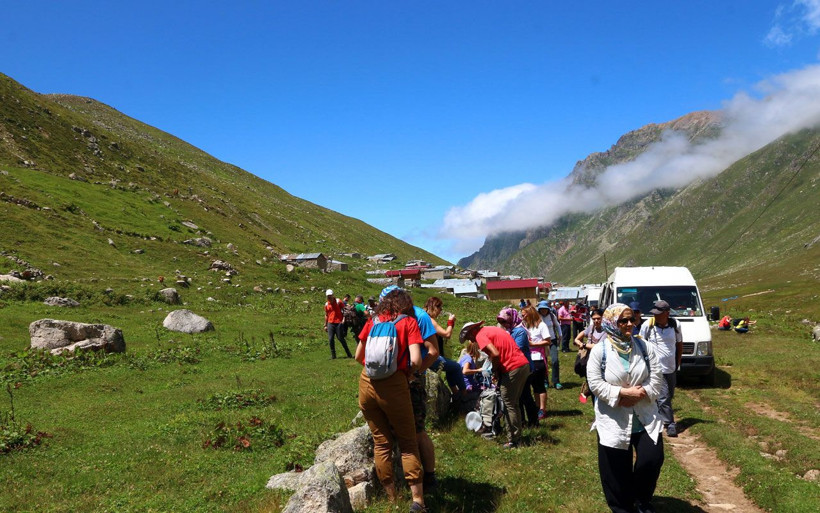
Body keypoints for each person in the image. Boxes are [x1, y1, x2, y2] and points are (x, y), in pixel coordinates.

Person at [587, 303, 664, 513]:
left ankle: (641, 500)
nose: (629, 324)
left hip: (644, 417)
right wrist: (621, 394)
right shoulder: (599, 351)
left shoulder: (645, 347)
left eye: (632, 319)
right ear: (612, 323)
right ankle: (622, 508)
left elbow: (657, 377)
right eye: (623, 320)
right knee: (615, 472)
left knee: (652, 459)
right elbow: (594, 383)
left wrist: (640, 393)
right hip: (614, 419)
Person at [355, 288, 427, 511]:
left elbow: (359, 356)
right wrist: (405, 373)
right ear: (406, 304)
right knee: (407, 443)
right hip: (395, 386)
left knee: (381, 443)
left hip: (367, 383)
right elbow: (415, 360)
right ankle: (418, 501)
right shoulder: (408, 322)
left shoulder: (373, 321)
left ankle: (391, 500)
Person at [460, 320, 531, 448]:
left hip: (512, 368)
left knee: (509, 403)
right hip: (523, 365)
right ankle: (517, 436)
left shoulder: (480, 335)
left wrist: (493, 369)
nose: (471, 340)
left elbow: (495, 354)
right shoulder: (491, 329)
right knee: (514, 403)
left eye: (468, 337)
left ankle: (514, 440)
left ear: (472, 331)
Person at [640, 300, 682, 438]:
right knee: (664, 397)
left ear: (667, 313)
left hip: (671, 367)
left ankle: (658, 413)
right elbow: (640, 343)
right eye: (654, 313)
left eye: (659, 313)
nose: (655, 316)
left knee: (669, 395)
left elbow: (679, 343)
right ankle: (670, 424)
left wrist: (678, 363)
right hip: (656, 368)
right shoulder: (648, 325)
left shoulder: (675, 325)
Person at [497, 307, 539, 427]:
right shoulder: (510, 331)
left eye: (504, 321)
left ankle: (533, 422)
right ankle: (521, 421)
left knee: (525, 396)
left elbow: (516, 349)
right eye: (501, 322)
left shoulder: (519, 331)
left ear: (512, 318)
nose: (503, 324)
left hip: (523, 368)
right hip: (513, 367)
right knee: (517, 397)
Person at [423, 297, 467, 397]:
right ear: (434, 307)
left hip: (425, 353)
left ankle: (455, 393)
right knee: (456, 367)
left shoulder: (424, 317)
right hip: (429, 355)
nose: (441, 311)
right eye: (440, 308)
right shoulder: (429, 320)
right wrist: (450, 322)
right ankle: (464, 394)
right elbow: (447, 334)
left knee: (450, 366)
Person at [521, 305, 550, 420]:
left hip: (538, 358)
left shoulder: (541, 325)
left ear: (530, 314)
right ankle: (537, 407)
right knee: (532, 385)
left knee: (539, 385)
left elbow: (547, 341)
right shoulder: (525, 326)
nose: (522, 316)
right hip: (527, 358)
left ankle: (542, 409)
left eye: (524, 314)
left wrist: (533, 345)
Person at [537, 300, 563, 390]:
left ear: (548, 309)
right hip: (541, 342)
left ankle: (556, 381)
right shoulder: (537, 317)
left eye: (545, 309)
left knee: (555, 360)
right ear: (539, 310)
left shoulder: (552, 316)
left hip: (552, 341)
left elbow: (557, 326)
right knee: (543, 362)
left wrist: (560, 335)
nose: (543, 311)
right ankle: (545, 381)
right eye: (542, 309)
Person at [324, 289, 352, 359]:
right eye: (328, 296)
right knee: (330, 339)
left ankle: (348, 353)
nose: (329, 297)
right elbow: (326, 314)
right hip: (330, 323)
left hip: (338, 322)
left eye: (330, 295)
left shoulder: (338, 301)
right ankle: (333, 355)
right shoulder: (327, 304)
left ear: (333, 295)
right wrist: (325, 324)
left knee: (340, 338)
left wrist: (343, 319)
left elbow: (344, 310)